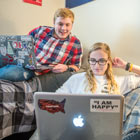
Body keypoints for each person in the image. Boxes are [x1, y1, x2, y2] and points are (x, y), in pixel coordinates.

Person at [56, 42, 140, 140]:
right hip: (79, 129)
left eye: (101, 61)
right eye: (93, 60)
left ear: (108, 61)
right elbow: (55, 100)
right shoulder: (76, 79)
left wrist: (126, 65)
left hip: (107, 132)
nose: (97, 65)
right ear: (89, 60)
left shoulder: (118, 81)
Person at [0, 8, 82, 86]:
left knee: (7, 73)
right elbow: (24, 42)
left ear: (72, 25)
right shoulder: (41, 30)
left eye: (67, 25)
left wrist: (66, 67)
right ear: (54, 22)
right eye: (60, 24)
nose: (64, 28)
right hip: (24, 61)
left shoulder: (75, 43)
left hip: (34, 71)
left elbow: (76, 67)